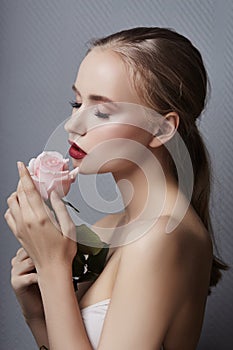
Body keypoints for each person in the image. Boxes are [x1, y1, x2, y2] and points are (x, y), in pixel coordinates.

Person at [5, 26, 229, 350]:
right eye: (77, 102)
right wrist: (37, 313)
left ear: (161, 128)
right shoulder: (112, 226)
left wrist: (54, 269)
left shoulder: (161, 236)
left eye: (101, 111)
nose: (72, 125)